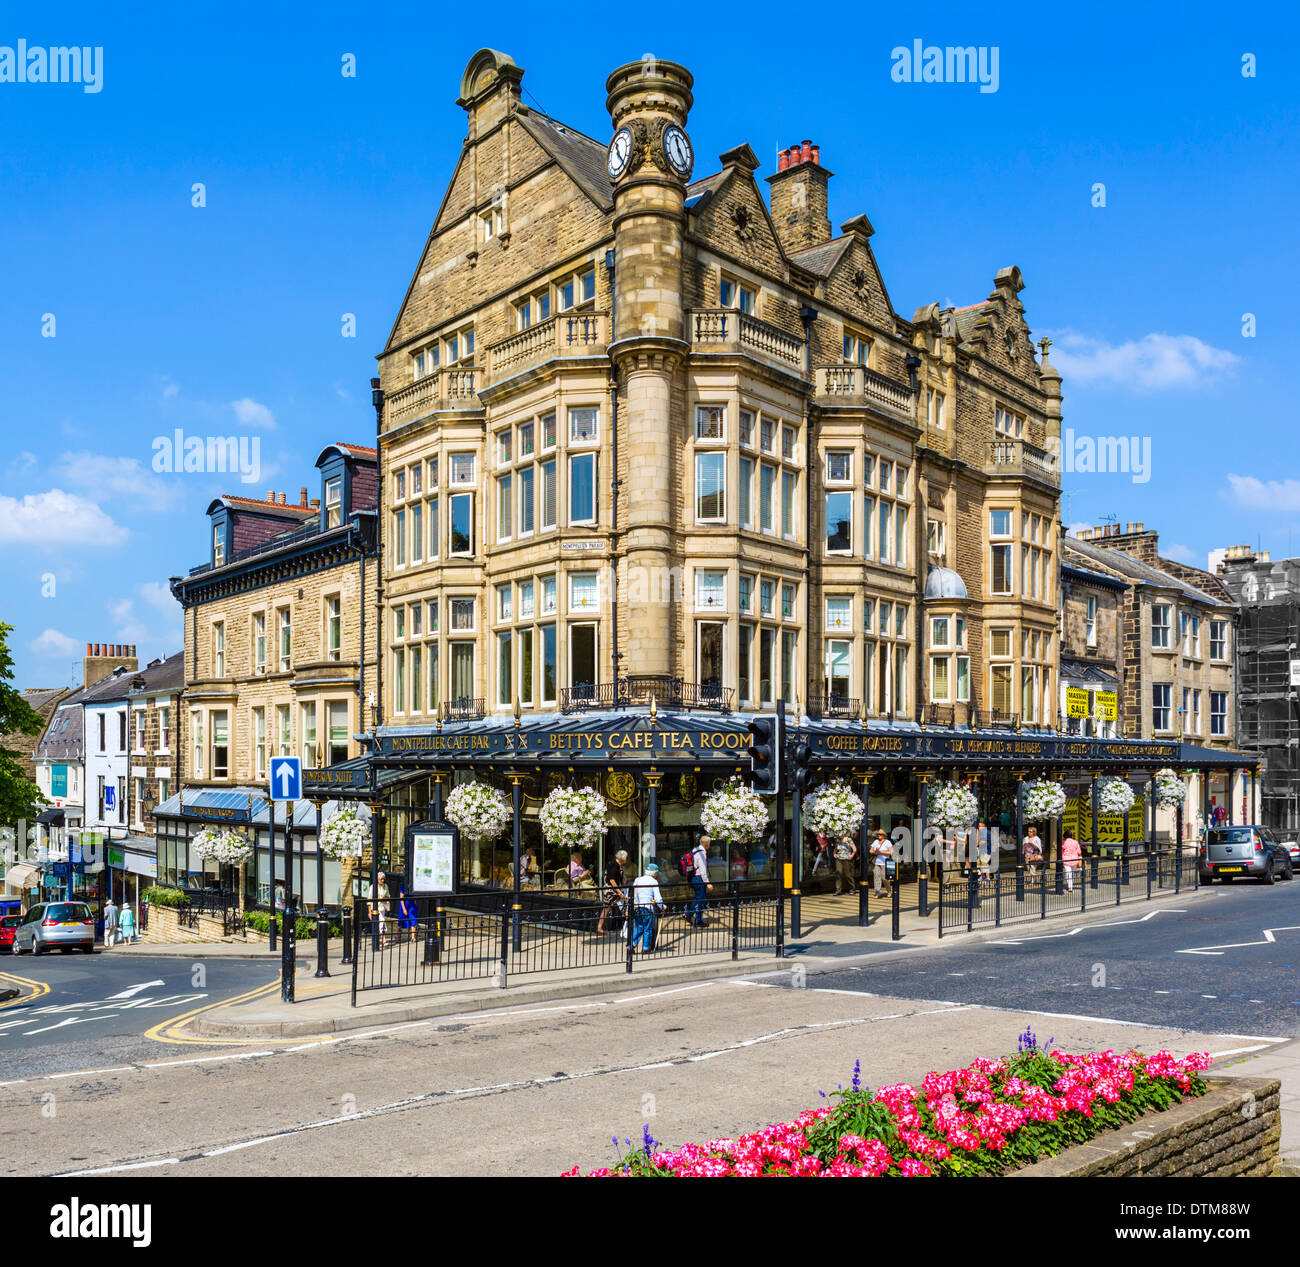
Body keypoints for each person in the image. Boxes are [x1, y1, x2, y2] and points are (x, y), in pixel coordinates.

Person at [630, 862, 666, 953]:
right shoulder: (654, 881)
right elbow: (658, 897)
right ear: (654, 873)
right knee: (648, 928)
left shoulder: (638, 880)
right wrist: (662, 906)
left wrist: (633, 906)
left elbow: (633, 894)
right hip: (647, 907)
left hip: (637, 907)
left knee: (639, 927)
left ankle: (631, 945)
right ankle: (646, 947)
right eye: (657, 873)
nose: (657, 875)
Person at [597, 849, 628, 935]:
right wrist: (620, 892)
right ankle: (631, 927)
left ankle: (600, 927)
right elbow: (612, 880)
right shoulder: (614, 865)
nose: (627, 860)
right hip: (611, 890)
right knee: (611, 907)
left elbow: (618, 879)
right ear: (622, 858)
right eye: (626, 858)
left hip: (615, 889)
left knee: (620, 906)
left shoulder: (618, 865)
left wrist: (622, 887)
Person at [686, 834, 713, 926]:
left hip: (692, 878)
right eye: (709, 843)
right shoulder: (702, 853)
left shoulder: (695, 850)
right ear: (707, 844)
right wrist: (707, 883)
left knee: (698, 898)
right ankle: (697, 920)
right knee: (701, 899)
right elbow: (703, 870)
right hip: (698, 878)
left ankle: (689, 915)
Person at [869, 827, 893, 898]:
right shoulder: (875, 841)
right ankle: (877, 892)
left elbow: (890, 852)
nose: (879, 835)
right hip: (876, 862)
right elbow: (871, 850)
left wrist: (881, 852)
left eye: (880, 834)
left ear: (884, 835)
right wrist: (874, 852)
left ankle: (889, 890)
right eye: (878, 834)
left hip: (885, 862)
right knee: (876, 877)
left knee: (885, 878)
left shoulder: (887, 842)